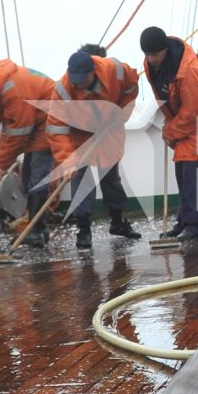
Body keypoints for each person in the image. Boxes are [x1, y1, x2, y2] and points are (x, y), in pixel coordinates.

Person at [46, 45, 143, 247]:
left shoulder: (116, 70)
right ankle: (83, 230)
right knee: (80, 180)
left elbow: (131, 88)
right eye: (76, 81)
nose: (79, 86)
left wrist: (120, 112)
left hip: (108, 129)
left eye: (83, 80)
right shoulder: (63, 89)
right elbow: (56, 127)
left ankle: (118, 222)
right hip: (78, 135)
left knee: (111, 179)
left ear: (93, 72)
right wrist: (67, 160)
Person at [0, 58, 59, 248]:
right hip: (34, 119)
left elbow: (18, 131)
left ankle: (38, 231)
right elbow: (0, 112)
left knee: (38, 176)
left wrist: (1, 164)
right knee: (29, 175)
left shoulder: (12, 89)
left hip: (50, 118)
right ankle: (37, 227)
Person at [140, 26, 198, 242]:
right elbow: (163, 96)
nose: (151, 58)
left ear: (165, 50)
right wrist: (170, 122)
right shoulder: (150, 66)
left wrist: (171, 132)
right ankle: (184, 222)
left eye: (155, 54)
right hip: (182, 119)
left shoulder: (189, 71)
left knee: (194, 176)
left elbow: (194, 111)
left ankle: (195, 227)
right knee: (182, 171)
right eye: (147, 54)